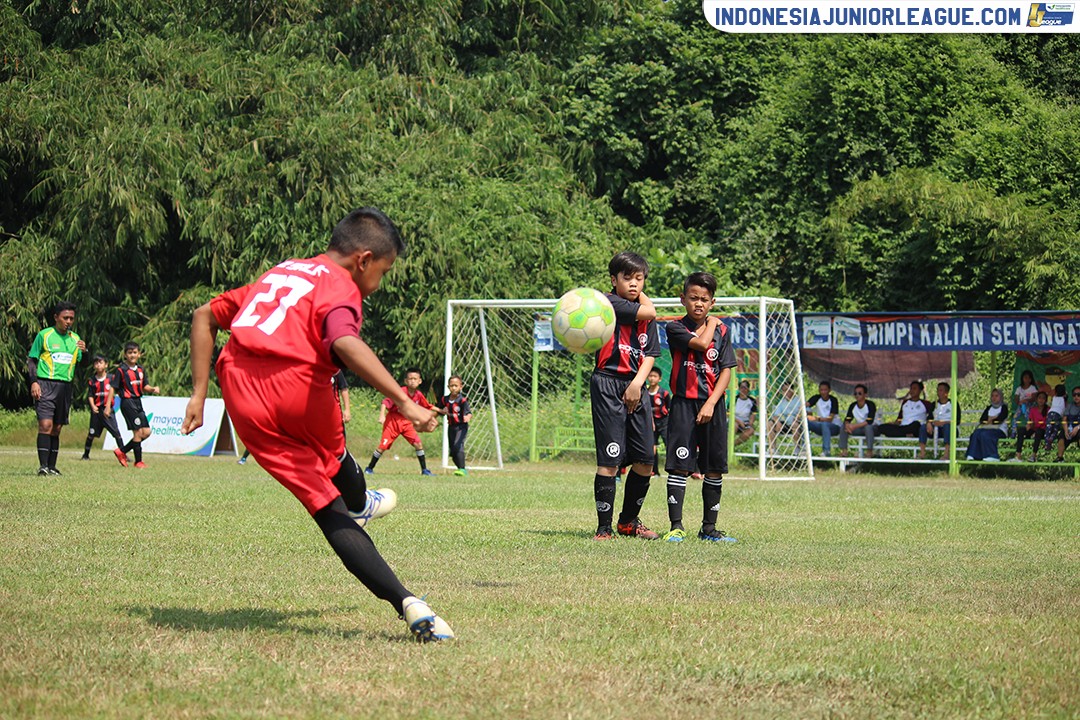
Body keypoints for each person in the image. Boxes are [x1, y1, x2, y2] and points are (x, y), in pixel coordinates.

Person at [181, 206, 452, 642]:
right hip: (300, 387)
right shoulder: (341, 287)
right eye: (383, 272)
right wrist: (405, 401)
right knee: (335, 457)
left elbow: (203, 316)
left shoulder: (280, 273)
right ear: (363, 259)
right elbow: (344, 341)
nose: (378, 284)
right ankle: (362, 505)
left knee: (325, 508)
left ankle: (409, 603)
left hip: (241, 392)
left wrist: (198, 394)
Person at [662, 272, 738, 543]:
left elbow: (726, 370)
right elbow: (702, 343)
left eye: (704, 299)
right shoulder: (675, 327)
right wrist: (713, 322)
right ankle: (676, 527)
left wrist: (712, 402)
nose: (699, 303)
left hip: (712, 405)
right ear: (683, 299)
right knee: (679, 465)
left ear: (712, 302)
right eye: (693, 298)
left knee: (713, 467)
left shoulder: (723, 332)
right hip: (683, 404)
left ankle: (709, 529)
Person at [589, 251, 660, 541]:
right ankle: (603, 528)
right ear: (613, 280)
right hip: (608, 382)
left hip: (636, 385)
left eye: (639, 279)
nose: (633, 284)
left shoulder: (646, 318)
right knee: (610, 459)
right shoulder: (608, 304)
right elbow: (650, 311)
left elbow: (651, 353)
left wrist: (637, 384)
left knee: (645, 460)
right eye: (627, 277)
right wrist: (642, 296)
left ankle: (628, 522)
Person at [27, 301, 87, 475]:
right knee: (45, 425)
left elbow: (83, 364)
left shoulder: (75, 339)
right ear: (56, 317)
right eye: (65, 318)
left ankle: (52, 467)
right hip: (45, 384)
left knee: (57, 428)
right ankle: (43, 466)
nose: (68, 321)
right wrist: (34, 382)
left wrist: (86, 352)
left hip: (65, 387)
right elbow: (32, 360)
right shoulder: (45, 335)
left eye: (71, 318)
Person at [239, 369, 349, 465]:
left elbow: (343, 388)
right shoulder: (310, 371)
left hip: (334, 415)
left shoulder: (336, 371)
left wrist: (347, 410)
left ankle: (339, 467)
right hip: (314, 416)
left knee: (339, 445)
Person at [365, 368, 436, 476]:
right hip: (393, 422)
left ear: (419, 381)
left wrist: (441, 411)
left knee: (418, 444)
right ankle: (369, 468)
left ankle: (424, 470)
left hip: (407, 422)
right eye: (410, 379)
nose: (412, 381)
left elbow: (427, 406)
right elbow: (385, 402)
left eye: (415, 379)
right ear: (406, 381)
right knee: (383, 446)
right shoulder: (400, 392)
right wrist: (382, 415)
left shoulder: (418, 394)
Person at [106, 342, 161, 469]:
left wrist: (153, 389)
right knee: (137, 432)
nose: (132, 355)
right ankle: (138, 461)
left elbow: (144, 386)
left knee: (146, 432)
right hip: (127, 402)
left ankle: (122, 451)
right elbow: (113, 388)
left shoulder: (141, 370)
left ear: (139, 354)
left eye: (135, 352)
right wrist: (108, 406)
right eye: (129, 353)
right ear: (125, 355)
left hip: (138, 402)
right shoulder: (121, 370)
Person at [82, 354, 124, 460]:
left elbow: (117, 390)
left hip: (108, 410)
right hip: (97, 412)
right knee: (91, 434)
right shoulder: (92, 380)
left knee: (116, 433)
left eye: (100, 362)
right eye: (96, 363)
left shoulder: (111, 378)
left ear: (106, 365)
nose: (98, 365)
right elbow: (90, 395)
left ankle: (123, 454)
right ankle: (86, 455)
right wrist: (93, 406)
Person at [879, 381, 932, 453]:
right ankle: (905, 434)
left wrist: (929, 423)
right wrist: (892, 423)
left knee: (916, 424)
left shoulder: (926, 404)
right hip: (903, 427)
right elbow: (900, 418)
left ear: (920, 390)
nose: (912, 391)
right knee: (882, 427)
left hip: (916, 428)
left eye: (914, 388)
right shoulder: (905, 402)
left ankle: (904, 433)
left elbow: (931, 416)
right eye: (911, 388)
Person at [436, 374, 472, 476]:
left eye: (456, 386)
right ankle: (460, 468)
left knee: (458, 445)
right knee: (453, 451)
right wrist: (441, 411)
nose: (454, 388)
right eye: (452, 386)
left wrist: (467, 417)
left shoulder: (462, 400)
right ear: (448, 387)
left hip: (461, 427)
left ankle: (462, 469)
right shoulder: (444, 399)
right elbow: (439, 410)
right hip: (451, 427)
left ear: (461, 387)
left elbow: (469, 413)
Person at [966, 389, 1009, 461]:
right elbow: (982, 420)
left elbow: (1000, 419)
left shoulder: (1004, 407)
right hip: (986, 428)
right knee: (976, 433)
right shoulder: (989, 408)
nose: (994, 398)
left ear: (1001, 397)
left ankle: (992, 455)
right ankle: (972, 454)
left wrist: (990, 419)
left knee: (985, 434)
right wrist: (993, 418)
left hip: (999, 430)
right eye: (992, 396)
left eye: (996, 396)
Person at [838, 384, 877, 458]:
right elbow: (847, 419)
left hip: (873, 428)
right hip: (859, 429)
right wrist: (847, 425)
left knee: (868, 427)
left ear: (865, 395)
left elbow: (869, 421)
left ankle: (869, 451)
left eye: (859, 393)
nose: (857, 395)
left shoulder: (870, 405)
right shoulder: (853, 405)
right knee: (843, 427)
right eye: (855, 393)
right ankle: (844, 451)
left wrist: (854, 426)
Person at [925, 381, 960, 460]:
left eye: (941, 390)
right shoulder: (934, 404)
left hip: (950, 430)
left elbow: (957, 420)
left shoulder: (953, 404)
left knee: (947, 427)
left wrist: (943, 423)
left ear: (946, 392)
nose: (938, 392)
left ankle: (947, 454)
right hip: (936, 429)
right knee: (923, 427)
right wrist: (929, 423)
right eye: (937, 390)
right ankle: (922, 453)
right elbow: (929, 417)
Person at [805, 380, 840, 457]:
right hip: (820, 427)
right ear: (819, 390)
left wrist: (816, 418)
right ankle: (804, 449)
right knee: (805, 422)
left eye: (825, 390)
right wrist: (807, 412)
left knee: (825, 424)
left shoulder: (833, 400)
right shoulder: (816, 398)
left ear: (829, 390)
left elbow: (830, 419)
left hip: (834, 427)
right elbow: (805, 405)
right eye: (821, 390)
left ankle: (826, 451)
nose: (823, 392)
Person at [646, 368, 670, 477]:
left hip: (664, 422)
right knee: (652, 447)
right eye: (650, 376)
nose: (652, 378)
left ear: (659, 379)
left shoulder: (664, 393)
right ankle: (654, 471)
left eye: (654, 376)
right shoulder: (645, 392)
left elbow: (669, 407)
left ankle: (672, 469)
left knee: (669, 444)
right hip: (651, 423)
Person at [1012, 391, 1048, 462]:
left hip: (1043, 430)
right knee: (1021, 430)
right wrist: (1029, 425)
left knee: (1038, 432)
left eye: (1043, 398)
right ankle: (1018, 455)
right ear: (1036, 399)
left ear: (1046, 400)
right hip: (1033, 428)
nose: (1041, 400)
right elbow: (1030, 421)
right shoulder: (1033, 409)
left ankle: (1033, 455)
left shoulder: (1048, 409)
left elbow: (1047, 423)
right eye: (1039, 398)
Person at [767, 382, 802, 454]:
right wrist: (777, 422)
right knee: (770, 423)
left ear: (793, 390)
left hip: (797, 424)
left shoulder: (799, 400)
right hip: (786, 423)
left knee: (795, 424)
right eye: (784, 390)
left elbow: (806, 413)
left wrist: (798, 417)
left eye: (788, 390)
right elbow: (775, 415)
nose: (786, 392)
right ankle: (773, 449)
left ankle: (797, 448)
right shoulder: (782, 402)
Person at [1054, 386, 1080, 462]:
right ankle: (1060, 458)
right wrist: (1066, 430)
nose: (1076, 397)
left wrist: (1077, 428)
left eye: (1079, 395)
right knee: (1061, 435)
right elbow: (1064, 419)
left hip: (1078, 429)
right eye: (1074, 395)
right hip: (1070, 428)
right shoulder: (1069, 406)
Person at [1011, 370, 1038, 438]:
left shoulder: (1032, 388)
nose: (1026, 380)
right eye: (1025, 378)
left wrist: (1026, 400)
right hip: (1021, 405)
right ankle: (1013, 432)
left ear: (1030, 379)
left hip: (1030, 405)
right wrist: (1019, 402)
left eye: (1028, 378)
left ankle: (1030, 429)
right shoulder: (1019, 388)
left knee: (1028, 415)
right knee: (1015, 417)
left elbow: (1034, 397)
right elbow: (1016, 397)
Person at [1043, 383, 1066, 456]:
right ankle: (1052, 438)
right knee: (1055, 429)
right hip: (1058, 414)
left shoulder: (1054, 397)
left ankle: (1047, 443)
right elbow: (1063, 408)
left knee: (1048, 428)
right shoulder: (1063, 399)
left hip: (1050, 413)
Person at [733, 380, 756, 445]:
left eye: (745, 387)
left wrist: (750, 424)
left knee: (750, 430)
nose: (743, 389)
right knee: (735, 425)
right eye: (742, 387)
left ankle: (733, 444)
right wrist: (739, 421)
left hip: (745, 422)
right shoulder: (735, 399)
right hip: (734, 420)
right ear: (739, 389)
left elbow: (753, 414)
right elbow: (728, 414)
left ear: (748, 389)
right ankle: (728, 442)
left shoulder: (752, 400)